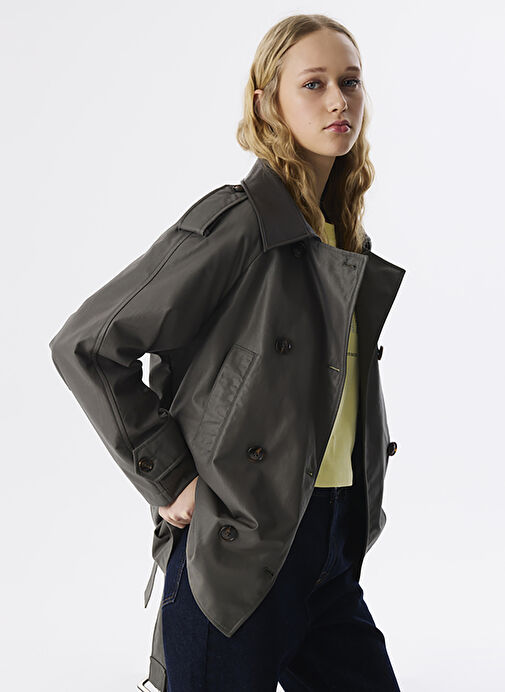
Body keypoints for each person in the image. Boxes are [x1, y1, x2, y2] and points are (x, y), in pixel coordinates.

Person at [49, 13, 405, 692]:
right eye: (313, 84)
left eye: (351, 82)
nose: (338, 100)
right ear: (267, 103)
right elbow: (88, 344)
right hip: (239, 555)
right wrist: (170, 477)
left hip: (329, 549)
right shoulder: (242, 221)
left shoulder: (342, 236)